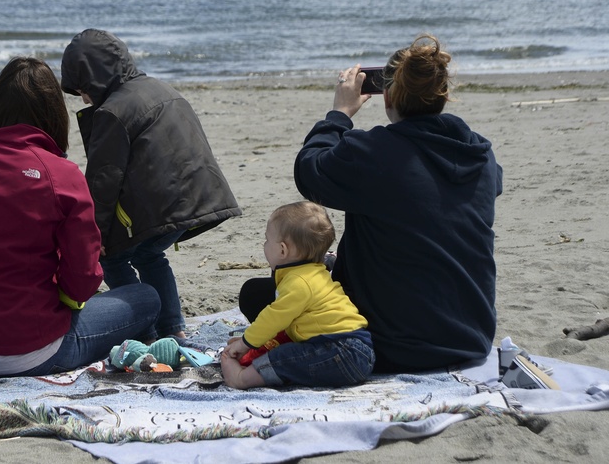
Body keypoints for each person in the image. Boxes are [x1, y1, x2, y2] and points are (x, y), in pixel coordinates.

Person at [242, 34, 502, 373]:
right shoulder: (480, 155)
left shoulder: (374, 153)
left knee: (259, 294)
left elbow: (309, 171)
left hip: (393, 345)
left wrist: (339, 113)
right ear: (442, 95)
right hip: (471, 339)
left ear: (388, 95)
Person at [0, 56, 160, 376]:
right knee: (146, 297)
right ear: (53, 115)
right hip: (33, 350)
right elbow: (82, 282)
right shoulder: (61, 175)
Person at [60, 29, 241, 341]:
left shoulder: (112, 111)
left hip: (166, 204)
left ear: (95, 77)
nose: (83, 97)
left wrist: (95, 233)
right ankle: (173, 329)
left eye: (82, 89)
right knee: (148, 255)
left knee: (112, 256)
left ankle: (147, 326)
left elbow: (104, 179)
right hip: (201, 193)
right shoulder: (161, 88)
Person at [221, 201, 374, 389]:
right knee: (291, 352)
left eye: (268, 240)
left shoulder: (299, 282)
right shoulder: (314, 272)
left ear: (283, 250)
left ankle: (241, 379)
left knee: (284, 357)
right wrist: (255, 344)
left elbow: (274, 318)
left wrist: (246, 343)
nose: (264, 245)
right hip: (352, 350)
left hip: (340, 351)